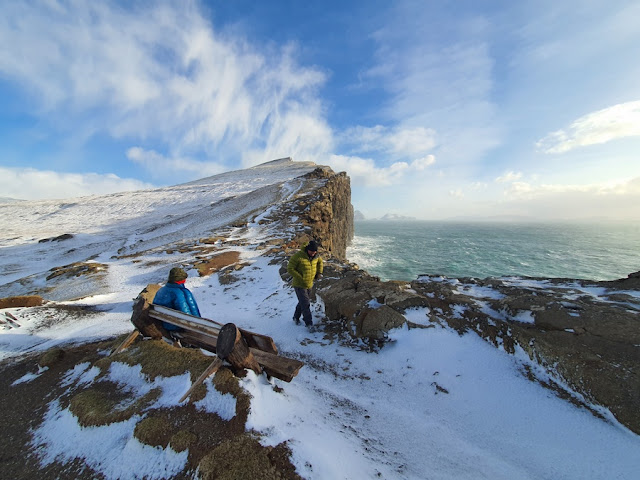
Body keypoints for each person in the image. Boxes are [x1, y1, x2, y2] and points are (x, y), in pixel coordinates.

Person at [287, 240, 323, 327]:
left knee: (302, 302)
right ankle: (309, 324)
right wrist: (300, 277)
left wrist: (319, 272)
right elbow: (290, 268)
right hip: (299, 285)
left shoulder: (316, 256)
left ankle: (296, 317)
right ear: (307, 249)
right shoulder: (298, 256)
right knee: (306, 304)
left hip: (309, 284)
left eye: (315, 252)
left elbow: (320, 262)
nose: (313, 253)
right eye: (312, 251)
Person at [153, 267, 201, 331]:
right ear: (179, 280)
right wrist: (198, 325)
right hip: (178, 326)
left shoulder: (161, 290)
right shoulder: (180, 293)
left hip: (165, 323)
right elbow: (186, 314)